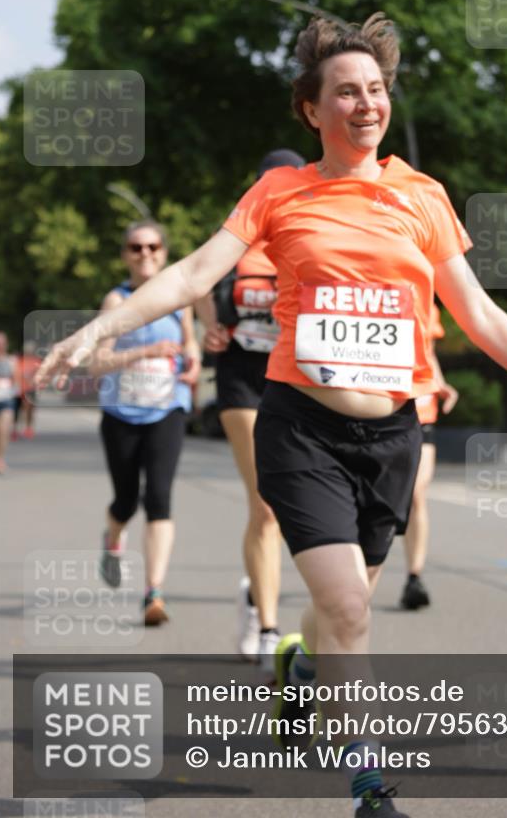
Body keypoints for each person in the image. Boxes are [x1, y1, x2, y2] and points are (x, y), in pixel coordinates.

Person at [37, 13, 507, 817]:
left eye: (375, 90)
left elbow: (474, 312)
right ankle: (369, 782)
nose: (365, 104)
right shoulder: (279, 192)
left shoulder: (421, 196)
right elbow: (193, 274)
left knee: (344, 604)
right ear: (311, 109)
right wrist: (98, 327)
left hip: (392, 434)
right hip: (300, 426)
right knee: (350, 609)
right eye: (346, 92)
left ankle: (297, 669)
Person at [199, 149, 305, 677]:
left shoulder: (308, 237)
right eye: (268, 182)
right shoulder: (238, 236)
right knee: (265, 505)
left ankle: (252, 590)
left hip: (297, 379)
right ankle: (267, 627)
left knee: (289, 508)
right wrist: (209, 326)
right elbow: (195, 279)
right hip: (242, 380)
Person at [89, 220, 201, 625]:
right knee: (126, 500)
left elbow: (189, 342)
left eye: (153, 247)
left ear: (164, 253)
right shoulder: (115, 302)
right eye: (136, 248)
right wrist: (143, 352)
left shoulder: (179, 300)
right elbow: (97, 363)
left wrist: (193, 361)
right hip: (121, 413)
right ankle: (113, 536)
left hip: (167, 408)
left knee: (159, 497)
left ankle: (153, 592)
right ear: (125, 255)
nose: (145, 254)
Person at [400, 305, 458, 610]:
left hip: (423, 410)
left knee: (417, 493)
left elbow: (429, 352)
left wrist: (440, 383)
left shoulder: (428, 306)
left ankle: (414, 576)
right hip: (386, 407)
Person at [0, 332, 18, 474]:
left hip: (6, 400)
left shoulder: (11, 361)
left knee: (3, 431)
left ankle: (0, 459)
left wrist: (9, 387)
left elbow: (16, 383)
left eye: (1, 343)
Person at [13, 340, 42, 440]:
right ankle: (14, 429)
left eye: (30, 349)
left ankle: (28, 428)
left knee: (30, 410)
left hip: (31, 389)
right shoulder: (19, 360)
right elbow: (15, 373)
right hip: (19, 389)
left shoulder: (36, 361)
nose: (28, 351)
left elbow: (40, 374)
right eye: (27, 349)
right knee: (17, 410)